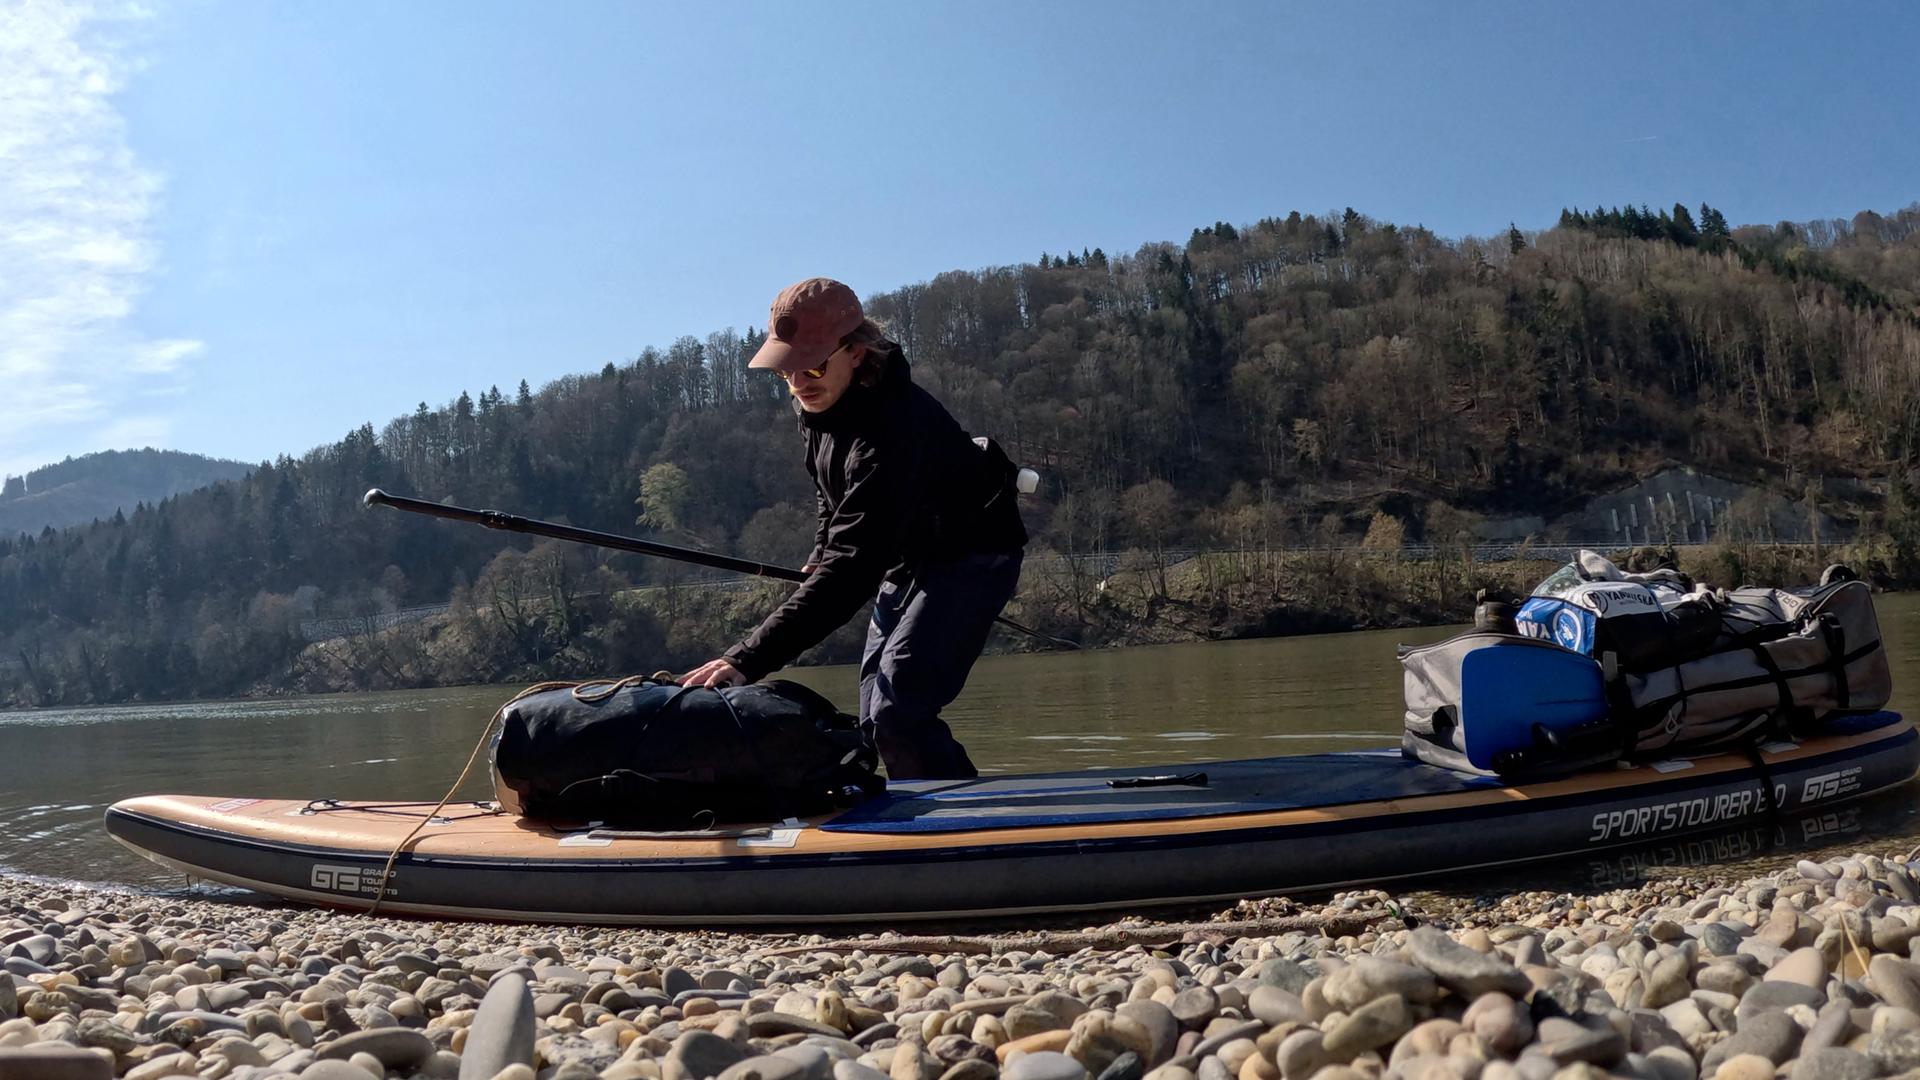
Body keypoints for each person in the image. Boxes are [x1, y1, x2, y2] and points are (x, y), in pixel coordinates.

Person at [681, 278, 1026, 779]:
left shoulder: (891, 431)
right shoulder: (817, 407)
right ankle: (920, 810)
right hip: (906, 558)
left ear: (859, 353)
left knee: (897, 713)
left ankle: (959, 823)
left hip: (973, 553)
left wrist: (747, 658)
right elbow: (829, 492)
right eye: (788, 372)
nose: (801, 383)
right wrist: (823, 548)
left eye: (815, 365)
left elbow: (851, 574)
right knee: (872, 719)